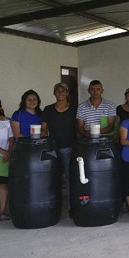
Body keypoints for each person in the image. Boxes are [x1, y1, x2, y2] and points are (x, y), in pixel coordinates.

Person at [41, 82, 77, 215]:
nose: (60, 93)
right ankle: (53, 207)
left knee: (70, 179)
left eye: (63, 90)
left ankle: (71, 207)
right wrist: (43, 133)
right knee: (51, 178)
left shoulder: (74, 109)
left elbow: (78, 129)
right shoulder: (48, 109)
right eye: (58, 90)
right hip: (52, 148)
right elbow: (43, 128)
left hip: (69, 148)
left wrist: (76, 146)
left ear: (67, 93)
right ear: (54, 93)